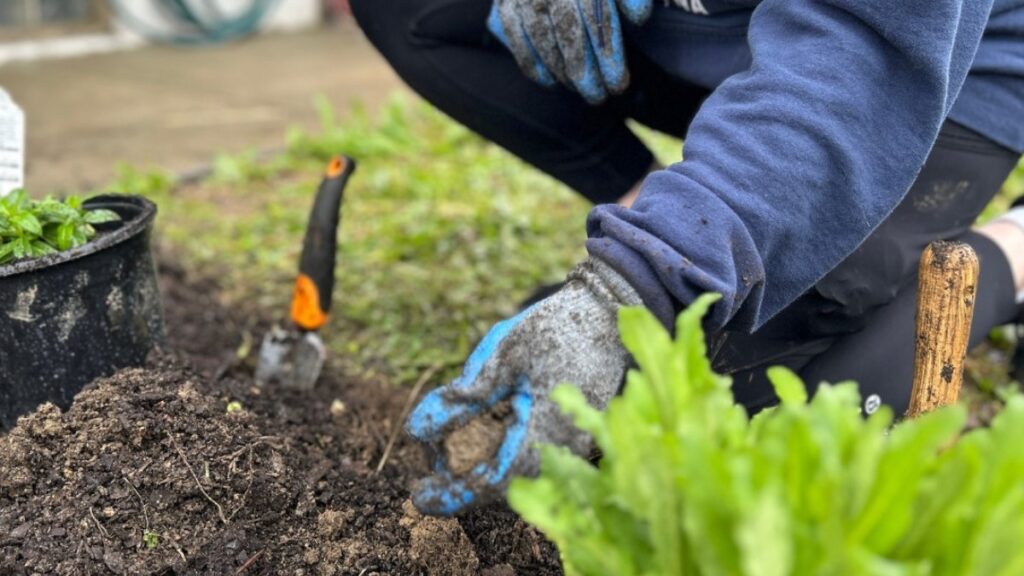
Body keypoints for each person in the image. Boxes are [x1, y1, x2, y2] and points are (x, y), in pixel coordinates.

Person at [350, 0, 1024, 515]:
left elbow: (859, 51)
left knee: (755, 417)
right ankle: (672, 205)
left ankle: (1010, 253)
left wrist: (635, 284)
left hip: (916, 68)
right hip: (707, 38)